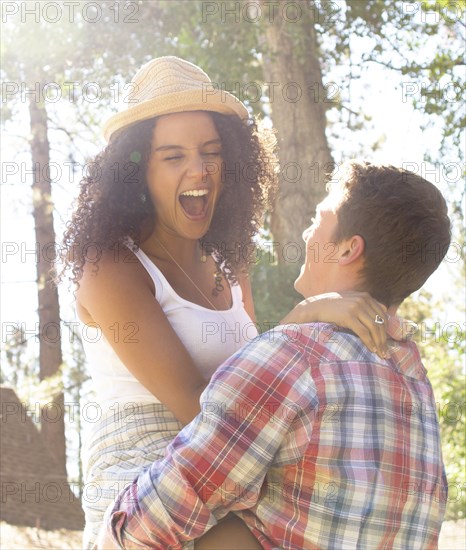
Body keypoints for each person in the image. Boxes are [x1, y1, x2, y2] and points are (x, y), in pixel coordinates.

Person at [59, 57, 388, 549]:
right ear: (137, 173)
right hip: (141, 471)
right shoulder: (108, 264)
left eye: (211, 152)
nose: (200, 169)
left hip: (228, 460)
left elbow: (252, 383)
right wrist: (303, 316)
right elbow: (199, 404)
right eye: (173, 157)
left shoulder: (230, 262)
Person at [97, 161, 450, 550]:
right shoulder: (416, 384)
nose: (307, 231)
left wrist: (112, 532)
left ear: (349, 248)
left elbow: (163, 507)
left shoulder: (295, 358)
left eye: (320, 218)